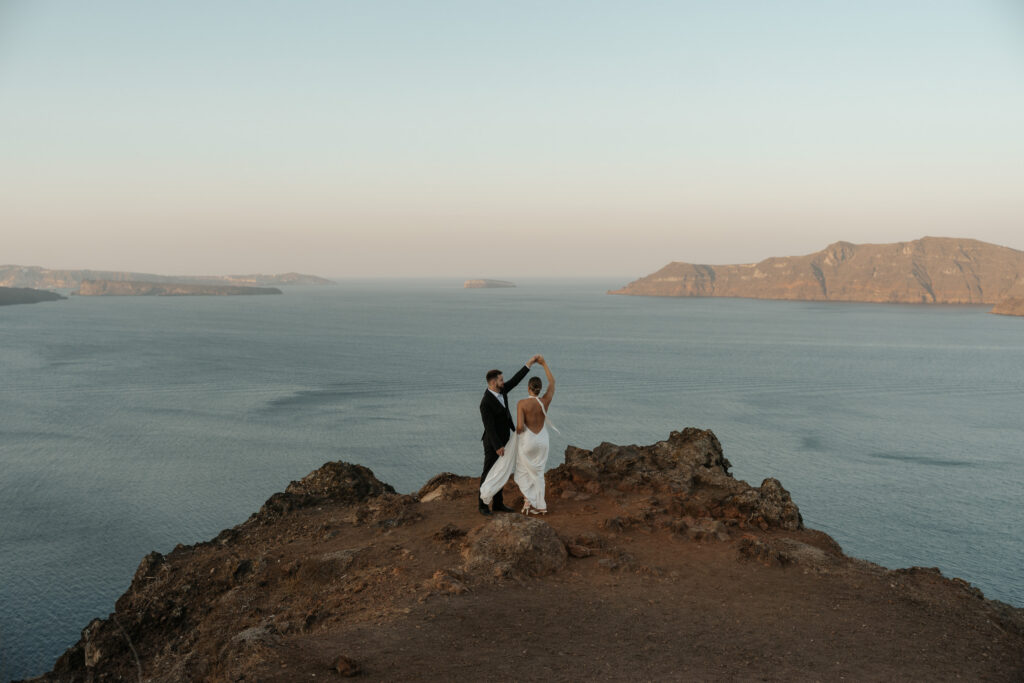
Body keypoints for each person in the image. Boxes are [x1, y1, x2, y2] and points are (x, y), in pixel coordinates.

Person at [477, 355, 541, 515]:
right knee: (489, 473)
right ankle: (482, 505)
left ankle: (498, 504)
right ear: (493, 383)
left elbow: (516, 380)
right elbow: (489, 427)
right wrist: (498, 446)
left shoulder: (502, 390)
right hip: (493, 443)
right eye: (500, 380)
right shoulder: (485, 403)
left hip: (505, 439)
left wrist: (529, 364)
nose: (503, 382)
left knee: (502, 471)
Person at [513, 356, 555, 514]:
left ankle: (527, 502)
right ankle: (541, 506)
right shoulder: (545, 401)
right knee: (538, 472)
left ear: (528, 388)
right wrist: (544, 364)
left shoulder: (522, 404)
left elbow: (519, 427)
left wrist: (517, 430)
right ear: (539, 388)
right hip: (543, 440)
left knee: (523, 471)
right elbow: (552, 383)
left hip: (529, 440)